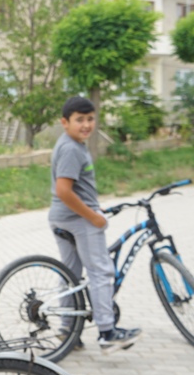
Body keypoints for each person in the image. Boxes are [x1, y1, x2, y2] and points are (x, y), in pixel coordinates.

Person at [50, 95, 142, 353]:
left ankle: (68, 330)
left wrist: (92, 205)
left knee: (71, 274)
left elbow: (75, 188)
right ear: (65, 122)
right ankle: (107, 332)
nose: (86, 125)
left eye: (90, 119)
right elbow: (64, 190)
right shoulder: (71, 148)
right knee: (101, 272)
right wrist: (93, 216)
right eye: (80, 120)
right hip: (77, 219)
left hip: (63, 216)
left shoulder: (73, 143)